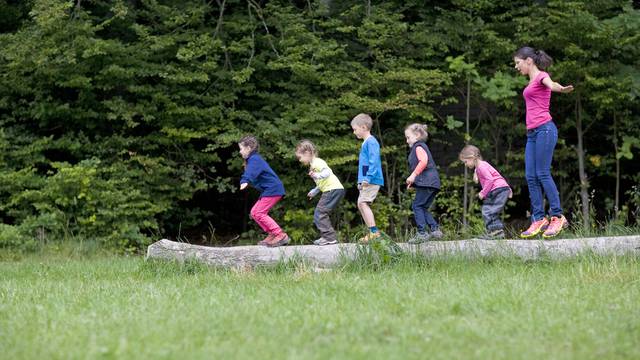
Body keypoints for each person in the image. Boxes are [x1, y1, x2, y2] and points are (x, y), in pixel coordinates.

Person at [514, 46, 574, 238]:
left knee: (542, 173)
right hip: (532, 134)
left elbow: (552, 84)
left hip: (545, 130)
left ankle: (557, 216)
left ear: (528, 61)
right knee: (530, 175)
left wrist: (561, 89)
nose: (517, 67)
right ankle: (539, 219)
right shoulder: (531, 80)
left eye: (518, 63)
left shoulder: (541, 76)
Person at [238, 135, 289, 247]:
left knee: (259, 212)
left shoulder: (254, 159)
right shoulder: (252, 159)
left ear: (249, 148)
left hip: (273, 189)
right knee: (254, 212)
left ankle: (280, 234)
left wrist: (245, 180)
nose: (240, 151)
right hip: (269, 190)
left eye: (241, 148)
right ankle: (272, 233)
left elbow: (251, 172)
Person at [295, 140, 346, 245]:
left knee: (319, 213)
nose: (300, 160)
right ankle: (328, 236)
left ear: (307, 153)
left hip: (332, 189)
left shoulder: (317, 162)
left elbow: (327, 172)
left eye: (300, 157)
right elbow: (321, 182)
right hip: (333, 189)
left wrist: (317, 175)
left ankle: (329, 237)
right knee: (321, 213)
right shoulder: (313, 164)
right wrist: (314, 191)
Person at [459, 145, 512, 239]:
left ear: (472, 157)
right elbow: (496, 174)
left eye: (465, 162)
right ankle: (493, 231)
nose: (465, 164)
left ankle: (496, 232)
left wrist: (483, 193)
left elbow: (490, 180)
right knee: (488, 210)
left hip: (497, 190)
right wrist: (508, 188)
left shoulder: (481, 167)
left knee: (488, 211)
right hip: (500, 189)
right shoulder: (482, 165)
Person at [405, 123, 443, 243]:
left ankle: (422, 233)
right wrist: (413, 182)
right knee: (423, 207)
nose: (407, 141)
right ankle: (435, 230)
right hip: (432, 183)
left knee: (417, 206)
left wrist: (413, 175)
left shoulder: (418, 147)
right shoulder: (420, 146)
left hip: (427, 182)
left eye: (408, 137)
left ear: (417, 135)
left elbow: (423, 161)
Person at [350, 113, 384, 243]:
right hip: (366, 180)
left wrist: (368, 178)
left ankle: (374, 232)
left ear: (363, 127)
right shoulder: (366, 143)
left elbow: (373, 161)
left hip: (372, 179)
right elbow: (364, 165)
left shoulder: (371, 142)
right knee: (360, 203)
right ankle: (371, 232)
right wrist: (361, 181)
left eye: (355, 129)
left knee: (363, 203)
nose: (354, 132)